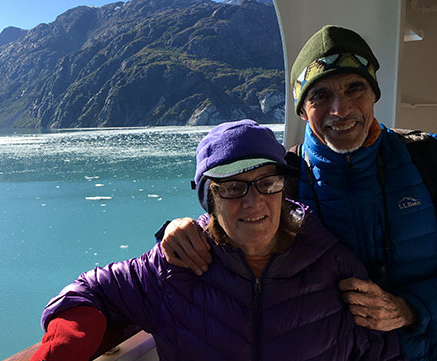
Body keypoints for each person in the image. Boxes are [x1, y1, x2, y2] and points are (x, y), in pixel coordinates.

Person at [160, 25, 437, 361]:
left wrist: (413, 310)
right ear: (302, 110)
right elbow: (231, 215)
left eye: (355, 89)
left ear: (374, 95)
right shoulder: (284, 175)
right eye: (320, 96)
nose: (341, 109)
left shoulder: (426, 159)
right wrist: (177, 230)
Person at [31, 120, 405, 361]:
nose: (253, 200)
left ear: (283, 188)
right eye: (232, 187)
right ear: (210, 198)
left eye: (267, 182)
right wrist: (67, 345)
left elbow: (379, 351)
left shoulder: (333, 264)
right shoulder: (173, 268)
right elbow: (86, 292)